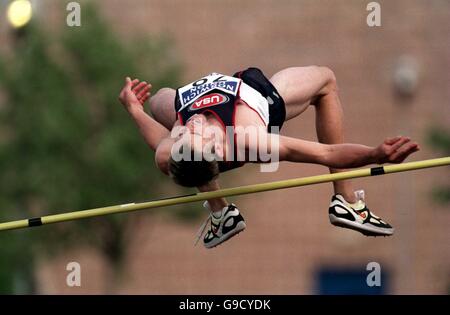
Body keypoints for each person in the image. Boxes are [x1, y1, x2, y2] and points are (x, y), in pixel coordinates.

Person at [118, 66, 419, 248]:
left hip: (216, 97)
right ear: (217, 149)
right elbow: (326, 152)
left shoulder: (171, 151)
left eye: (180, 133)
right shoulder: (251, 141)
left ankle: (221, 215)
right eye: (190, 133)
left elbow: (160, 138)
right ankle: (347, 202)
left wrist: (133, 109)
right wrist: (375, 154)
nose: (187, 126)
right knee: (326, 80)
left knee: (160, 102)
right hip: (255, 96)